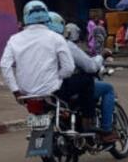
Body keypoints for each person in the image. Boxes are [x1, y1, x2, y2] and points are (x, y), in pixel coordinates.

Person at [0, 1, 97, 131]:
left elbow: (4, 66)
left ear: (25, 17)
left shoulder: (14, 40)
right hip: (53, 90)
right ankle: (87, 122)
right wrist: (57, 77)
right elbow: (69, 68)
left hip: (26, 93)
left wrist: (16, 91)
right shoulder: (56, 38)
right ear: (46, 16)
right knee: (87, 80)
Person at [50, 12, 119, 143]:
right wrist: (101, 56)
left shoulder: (35, 45)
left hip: (42, 90)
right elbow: (90, 67)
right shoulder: (65, 45)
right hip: (63, 87)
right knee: (107, 88)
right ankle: (106, 130)